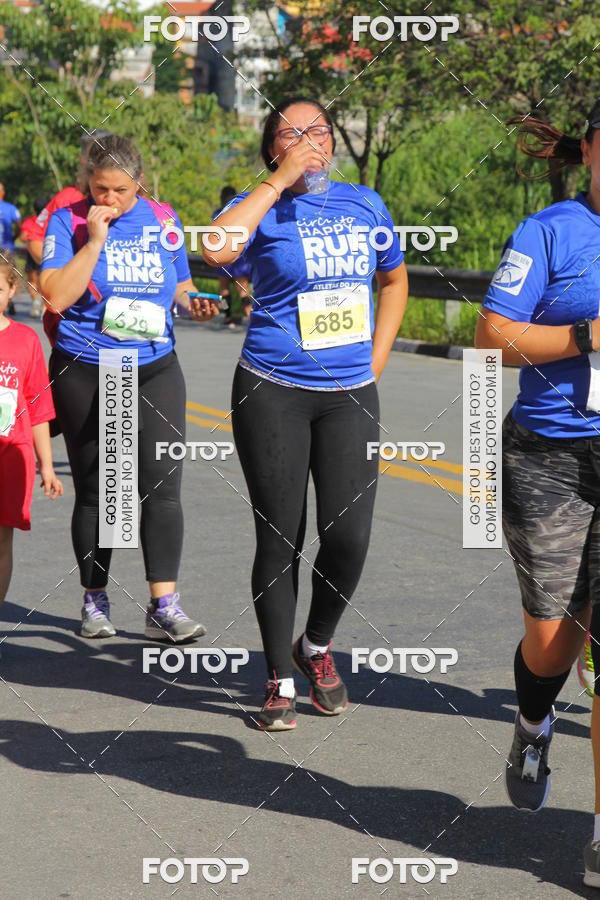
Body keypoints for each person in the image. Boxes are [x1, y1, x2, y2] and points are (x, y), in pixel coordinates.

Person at [205, 96, 408, 730]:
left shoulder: (363, 204)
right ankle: (276, 678)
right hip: (273, 388)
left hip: (349, 392)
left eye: (318, 131)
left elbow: (394, 280)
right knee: (281, 536)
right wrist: (278, 181)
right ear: (273, 148)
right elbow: (215, 250)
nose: (309, 141)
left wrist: (374, 363)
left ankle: (314, 645)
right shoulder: (259, 206)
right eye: (292, 135)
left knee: (349, 538)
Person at [475, 99, 600, 886]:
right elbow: (493, 336)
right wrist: (590, 334)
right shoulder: (550, 231)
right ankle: (531, 720)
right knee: (558, 642)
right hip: (552, 456)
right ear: (590, 151)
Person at [39, 133, 218, 642]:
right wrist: (94, 241)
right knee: (101, 488)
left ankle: (164, 605)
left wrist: (193, 301)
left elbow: (179, 287)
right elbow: (55, 296)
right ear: (87, 182)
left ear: (138, 182)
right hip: (87, 365)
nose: (108, 200)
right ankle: (94, 599)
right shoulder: (69, 219)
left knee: (162, 485)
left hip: (154, 363)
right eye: (99, 188)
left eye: (118, 189)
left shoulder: (164, 219)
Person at [0, 253, 63, 628]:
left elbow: (38, 408)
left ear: (11, 291)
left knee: (2, 541)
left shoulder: (25, 340)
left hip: (12, 457)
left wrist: (49, 466)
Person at [212, 186, 252, 326]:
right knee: (243, 292)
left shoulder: (217, 213)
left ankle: (227, 316)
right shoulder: (240, 213)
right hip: (239, 257)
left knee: (224, 290)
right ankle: (250, 316)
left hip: (223, 257)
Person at [19, 197, 49, 319]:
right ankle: (44, 306)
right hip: (47, 254)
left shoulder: (29, 222)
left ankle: (35, 301)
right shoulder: (51, 221)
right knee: (46, 281)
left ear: (34, 209)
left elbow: (23, 237)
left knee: (32, 281)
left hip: (32, 254)